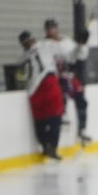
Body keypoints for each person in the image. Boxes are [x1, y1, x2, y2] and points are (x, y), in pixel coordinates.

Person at [40, 18, 91, 144]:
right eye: (49, 28)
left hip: (69, 75)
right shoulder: (44, 45)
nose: (51, 30)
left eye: (53, 27)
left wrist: (81, 44)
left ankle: (82, 130)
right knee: (61, 91)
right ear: (46, 30)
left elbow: (79, 55)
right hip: (54, 77)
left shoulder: (66, 41)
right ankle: (62, 115)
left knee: (82, 101)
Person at [17, 30, 63, 160]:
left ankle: (44, 146)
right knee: (55, 118)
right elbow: (63, 49)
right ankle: (52, 147)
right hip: (49, 83)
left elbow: (19, 73)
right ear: (32, 39)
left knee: (40, 120)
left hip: (33, 91)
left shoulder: (23, 57)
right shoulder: (45, 45)